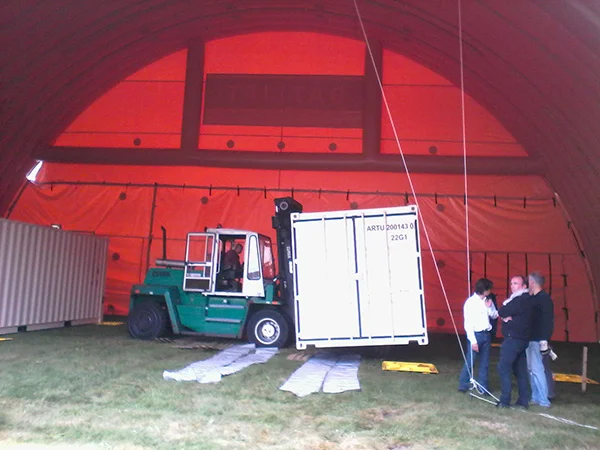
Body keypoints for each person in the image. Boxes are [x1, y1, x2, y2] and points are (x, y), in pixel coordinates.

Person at [496, 275, 534, 408]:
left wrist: (505, 315)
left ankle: (504, 400)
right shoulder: (527, 299)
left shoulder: (519, 299)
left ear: (524, 286)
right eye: (511, 283)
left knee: (503, 367)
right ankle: (523, 401)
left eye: (516, 283)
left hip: (513, 338)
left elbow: (502, 310)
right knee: (520, 370)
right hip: (522, 339)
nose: (513, 286)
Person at [458, 278, 498, 394]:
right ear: (484, 290)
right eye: (489, 289)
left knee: (485, 363)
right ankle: (463, 384)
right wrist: (473, 341)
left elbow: (494, 315)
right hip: (476, 335)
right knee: (471, 361)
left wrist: (490, 307)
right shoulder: (470, 302)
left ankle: (482, 387)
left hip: (486, 334)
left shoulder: (488, 300)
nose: (490, 291)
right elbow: (468, 323)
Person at [527, 271, 555, 408]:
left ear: (533, 283)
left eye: (529, 282)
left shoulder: (543, 299)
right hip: (533, 337)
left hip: (537, 339)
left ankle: (543, 400)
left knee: (537, 369)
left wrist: (544, 339)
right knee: (532, 369)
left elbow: (547, 321)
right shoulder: (538, 298)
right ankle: (536, 397)